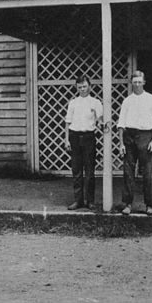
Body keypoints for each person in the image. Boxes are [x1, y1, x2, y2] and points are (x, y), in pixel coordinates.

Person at [118, 70, 152, 216]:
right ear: (131, 83)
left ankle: (149, 205)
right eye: (134, 82)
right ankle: (128, 204)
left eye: (139, 82)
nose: (137, 84)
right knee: (128, 171)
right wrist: (121, 143)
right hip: (129, 136)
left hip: (145, 136)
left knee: (147, 171)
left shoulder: (151, 99)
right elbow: (121, 124)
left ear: (144, 82)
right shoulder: (127, 101)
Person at [65, 75, 103, 211]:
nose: (82, 89)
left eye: (85, 86)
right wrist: (66, 139)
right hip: (74, 137)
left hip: (88, 138)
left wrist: (100, 122)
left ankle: (90, 201)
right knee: (76, 171)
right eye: (80, 87)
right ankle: (78, 200)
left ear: (90, 87)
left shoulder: (96, 102)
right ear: (77, 88)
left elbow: (100, 120)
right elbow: (68, 122)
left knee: (90, 171)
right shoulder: (73, 102)